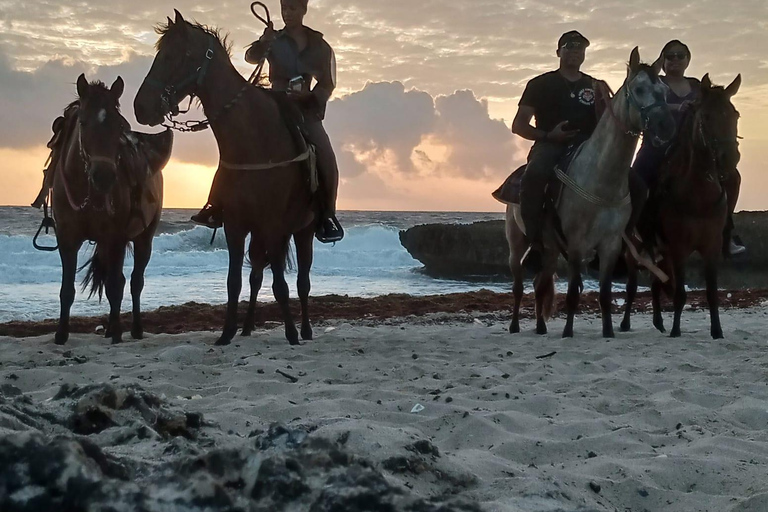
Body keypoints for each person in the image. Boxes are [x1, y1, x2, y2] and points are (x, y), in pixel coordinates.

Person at [191, 0, 343, 243]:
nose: (288, 13)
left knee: (326, 155)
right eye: (285, 8)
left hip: (305, 109)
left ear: (303, 10)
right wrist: (263, 42)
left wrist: (312, 97)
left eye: (293, 9)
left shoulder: (319, 45)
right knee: (235, 146)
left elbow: (328, 82)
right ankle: (215, 205)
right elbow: (251, 57)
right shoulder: (275, 38)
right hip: (272, 104)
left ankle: (327, 215)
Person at [631, 40, 745, 255]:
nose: (675, 59)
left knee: (732, 178)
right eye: (670, 55)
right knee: (636, 181)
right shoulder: (655, 83)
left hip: (692, 149)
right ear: (663, 61)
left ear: (687, 60)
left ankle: (726, 231)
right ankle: (636, 236)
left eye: (679, 55)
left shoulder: (696, 86)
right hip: (657, 145)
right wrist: (675, 106)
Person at [511, 30, 606, 271]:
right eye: (569, 47)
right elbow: (519, 125)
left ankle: (619, 244)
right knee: (533, 176)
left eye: (580, 48)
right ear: (558, 52)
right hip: (550, 143)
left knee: (629, 181)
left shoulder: (595, 86)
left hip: (588, 147)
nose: (574, 52)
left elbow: (608, 122)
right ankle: (535, 242)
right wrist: (548, 136)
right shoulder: (540, 84)